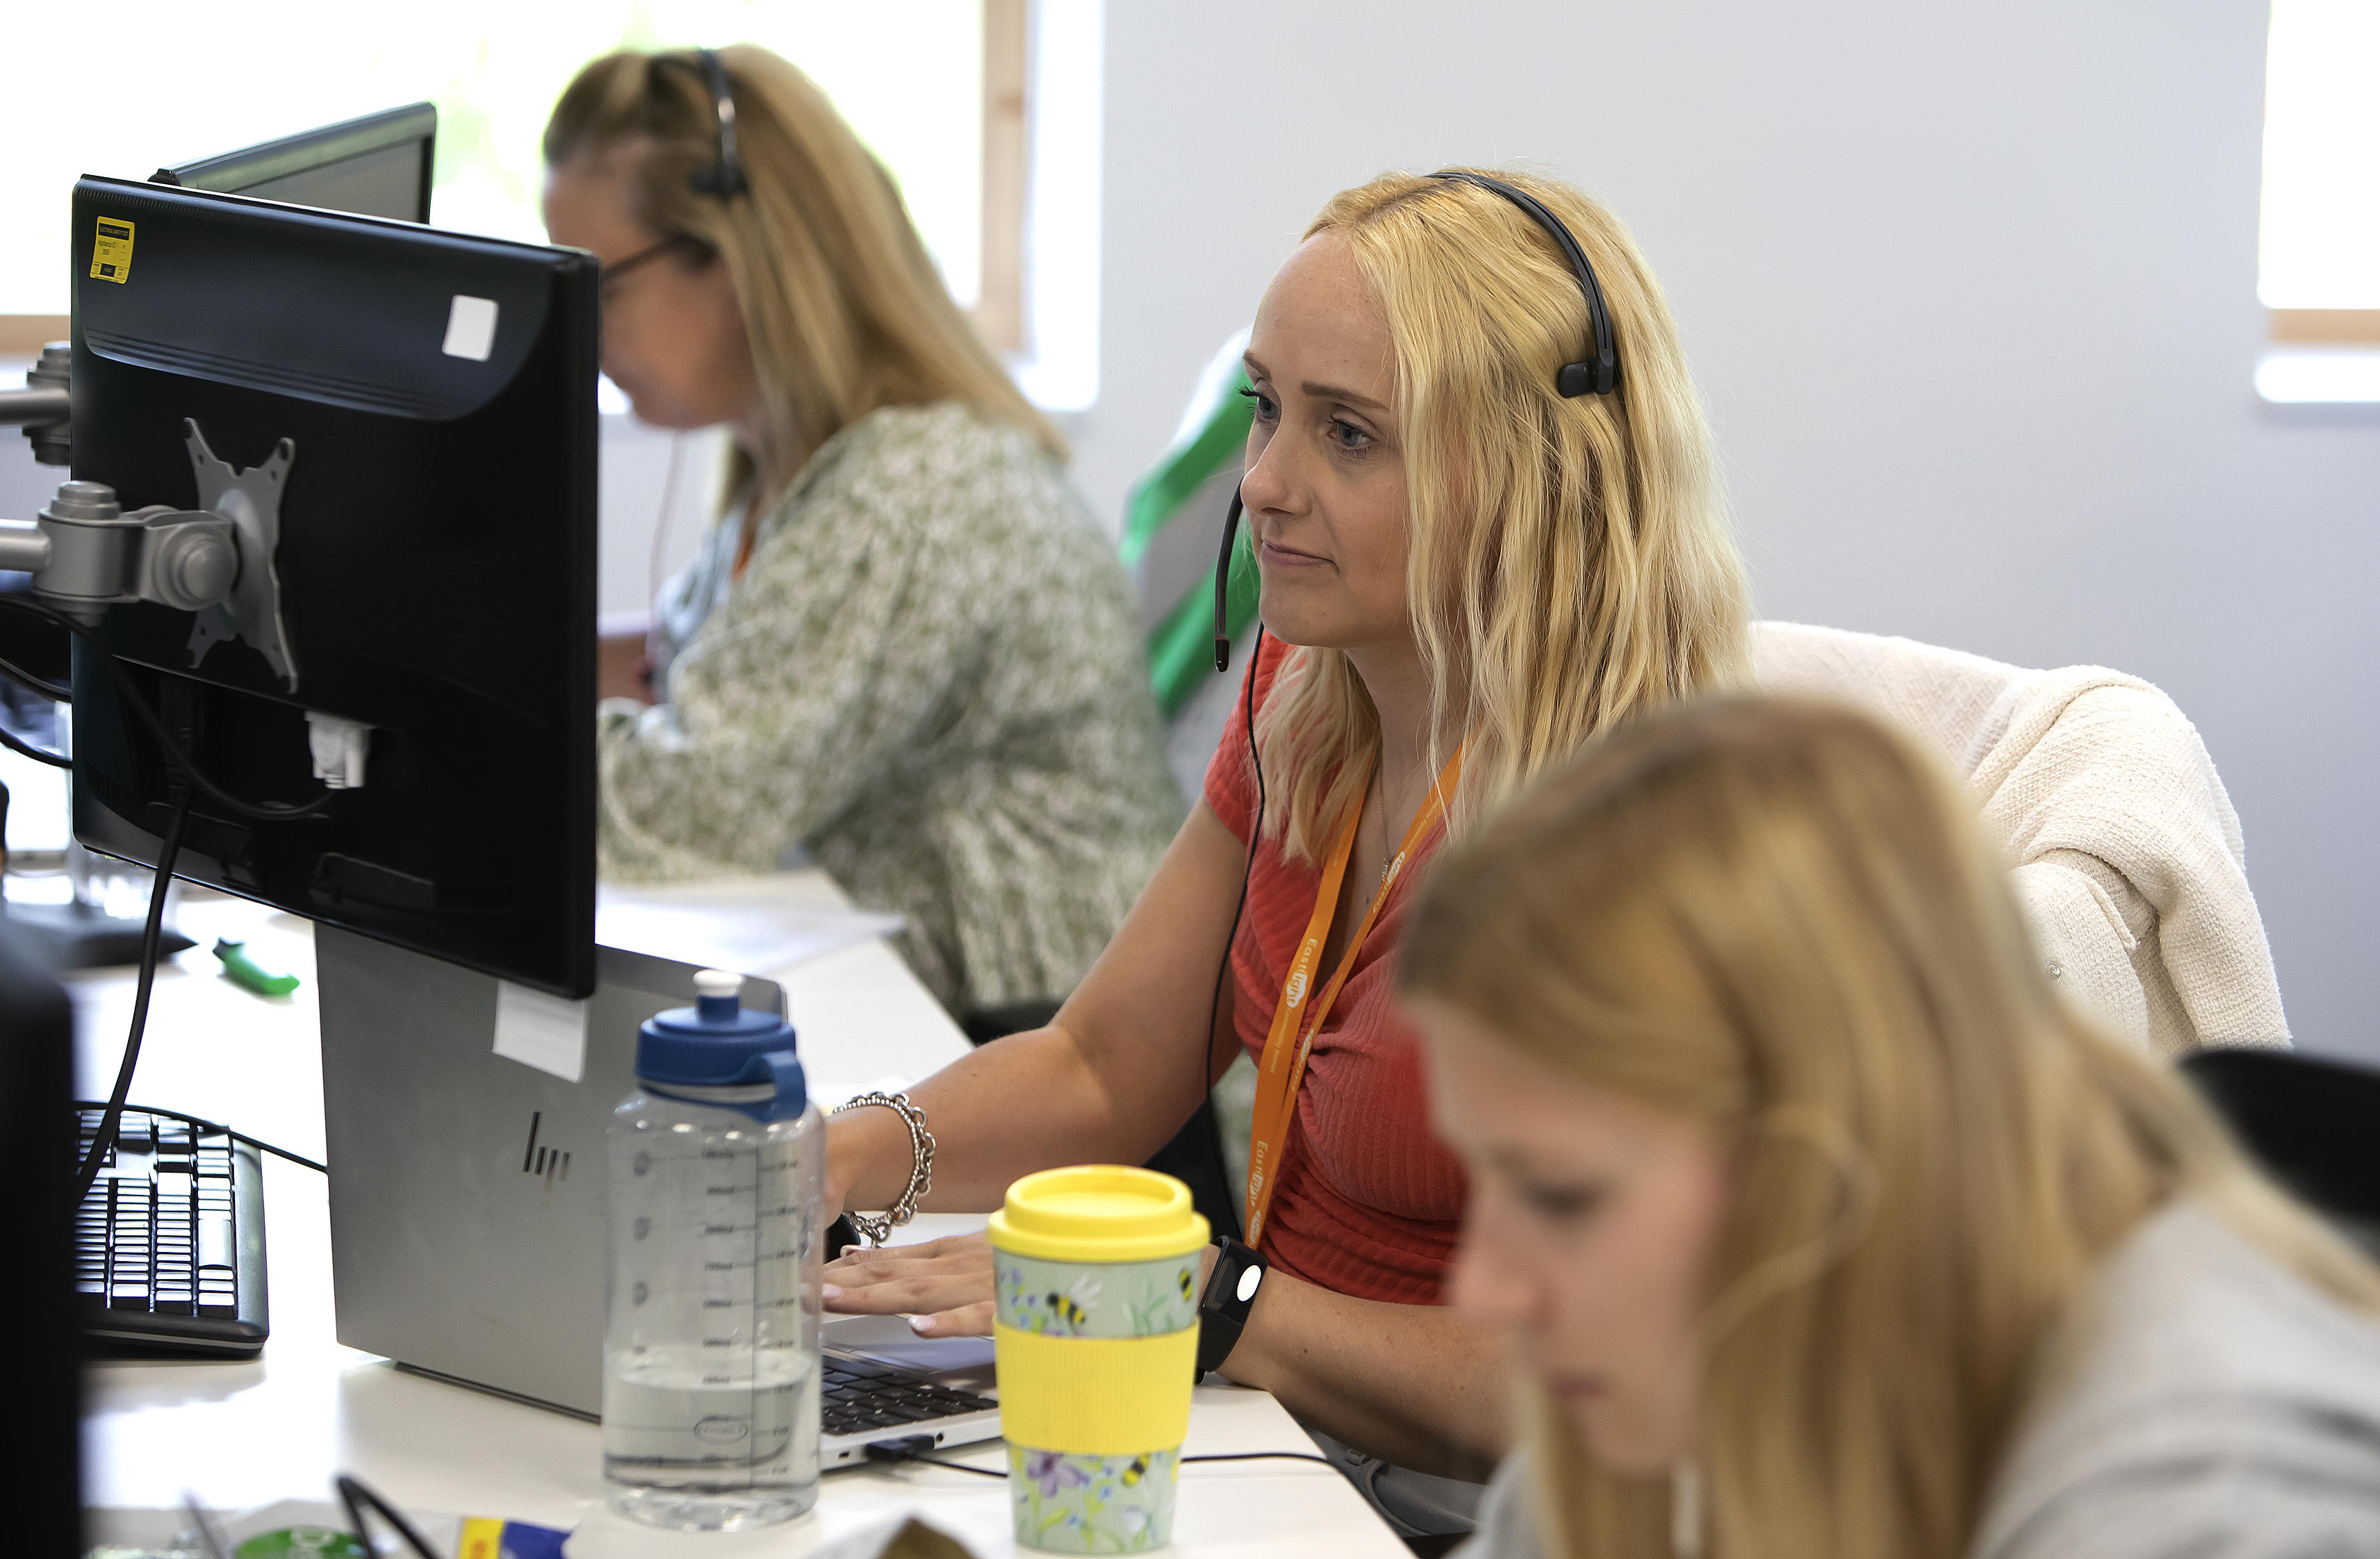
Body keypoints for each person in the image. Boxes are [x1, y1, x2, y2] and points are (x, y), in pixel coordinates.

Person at [820, 167, 1751, 1539]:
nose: (1263, 486)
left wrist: (1216, 1306)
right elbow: (1103, 1067)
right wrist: (828, 1164)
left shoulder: (1638, 838)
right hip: (1275, 1441)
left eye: (1351, 436)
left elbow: (1605, 1387)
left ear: (1539, 473)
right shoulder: (1306, 710)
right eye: (1267, 409)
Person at [1401, 694, 2380, 1559]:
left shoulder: (2203, 1510)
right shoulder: (1700, 1366)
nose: (1483, 1290)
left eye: (1561, 1196)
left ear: (1836, 1155)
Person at [541, 46, 1179, 1028]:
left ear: (737, 257)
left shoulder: (910, 489)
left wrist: (414, 747)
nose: (576, 337)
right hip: (974, 1016)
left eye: (599, 290)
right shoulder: (793, 462)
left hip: (1061, 1058)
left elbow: (682, 808)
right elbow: (690, 675)